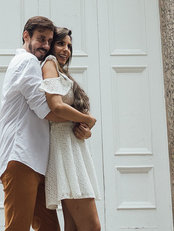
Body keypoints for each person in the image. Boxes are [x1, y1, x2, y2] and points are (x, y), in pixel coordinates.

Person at [0, 16, 98, 231]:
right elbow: (47, 110)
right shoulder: (27, 61)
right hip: (21, 156)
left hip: (38, 160)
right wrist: (87, 120)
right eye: (40, 39)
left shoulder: (37, 63)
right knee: (17, 227)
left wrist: (83, 129)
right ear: (26, 36)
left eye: (48, 40)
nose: (44, 45)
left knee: (49, 228)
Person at [41, 27, 102, 231]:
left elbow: (73, 120)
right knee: (92, 227)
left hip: (74, 148)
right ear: (50, 45)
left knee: (74, 227)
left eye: (69, 46)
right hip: (64, 151)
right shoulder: (49, 64)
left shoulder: (62, 73)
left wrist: (86, 131)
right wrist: (88, 119)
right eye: (61, 43)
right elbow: (56, 106)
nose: (66, 49)